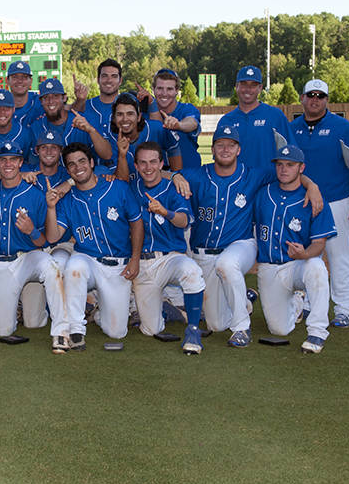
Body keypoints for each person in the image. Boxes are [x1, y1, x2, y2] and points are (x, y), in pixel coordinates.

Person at [171, 125, 323, 347]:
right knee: (215, 324)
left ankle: (242, 328)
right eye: (220, 145)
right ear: (212, 149)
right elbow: (160, 174)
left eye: (230, 145)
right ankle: (246, 302)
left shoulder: (253, 175)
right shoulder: (197, 175)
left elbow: (292, 173)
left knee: (226, 263)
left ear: (238, 150)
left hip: (241, 245)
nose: (225, 149)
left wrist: (313, 186)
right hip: (203, 253)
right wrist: (175, 175)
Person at [45, 142, 143, 348]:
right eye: (71, 164)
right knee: (74, 267)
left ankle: (98, 310)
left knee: (116, 333)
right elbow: (53, 237)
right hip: (87, 259)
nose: (78, 167)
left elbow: (136, 223)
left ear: (91, 163)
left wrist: (135, 259)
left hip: (118, 264)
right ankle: (76, 329)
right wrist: (51, 208)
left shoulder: (117, 186)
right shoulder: (68, 199)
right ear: (68, 170)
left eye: (82, 161)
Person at [0, 143, 67, 353]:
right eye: (3, 159)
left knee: (51, 266)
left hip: (29, 257)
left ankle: (62, 332)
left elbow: (44, 242)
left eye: (13, 159)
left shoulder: (35, 194)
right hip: (0, 264)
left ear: (21, 163)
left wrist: (31, 231)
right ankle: (20, 306)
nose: (8, 164)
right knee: (3, 331)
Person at [253, 145, 336, 353]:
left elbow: (319, 244)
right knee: (279, 329)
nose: (283, 169)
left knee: (316, 267)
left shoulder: (314, 199)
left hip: (298, 264)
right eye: (280, 164)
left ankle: (317, 331)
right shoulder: (263, 194)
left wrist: (304, 254)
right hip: (269, 267)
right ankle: (298, 302)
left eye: (290, 165)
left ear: (301, 168)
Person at [128, 142, 206, 354]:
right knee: (150, 329)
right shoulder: (131, 187)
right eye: (142, 163)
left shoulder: (174, 189)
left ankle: (193, 329)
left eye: (153, 161)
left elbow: (184, 221)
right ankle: (168, 310)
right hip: (141, 264)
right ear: (135, 166)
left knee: (191, 271)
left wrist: (165, 212)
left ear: (161, 163)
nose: (148, 167)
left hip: (168, 258)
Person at [290, 79, 349, 328]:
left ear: (327, 100)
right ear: (302, 98)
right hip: (302, 202)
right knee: (304, 255)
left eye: (320, 96)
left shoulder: (343, 127)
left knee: (340, 257)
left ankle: (344, 308)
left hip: (337, 199)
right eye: (310, 95)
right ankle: (306, 305)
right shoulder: (292, 127)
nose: (315, 100)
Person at [216, 65, 292, 167]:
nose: (248, 89)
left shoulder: (275, 116)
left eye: (253, 85)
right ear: (236, 86)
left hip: (268, 182)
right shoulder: (226, 121)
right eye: (244, 84)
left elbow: (290, 154)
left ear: (260, 88)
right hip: (237, 182)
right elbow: (219, 160)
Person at [29, 78, 112, 164]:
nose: (51, 101)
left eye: (55, 96)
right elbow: (33, 162)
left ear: (64, 98)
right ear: (41, 101)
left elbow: (107, 155)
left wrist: (91, 131)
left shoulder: (84, 120)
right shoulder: (36, 127)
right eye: (46, 97)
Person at [112, 92, 183, 182]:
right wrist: (122, 156)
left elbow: (173, 149)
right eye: (120, 114)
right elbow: (121, 182)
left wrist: (177, 175)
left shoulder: (156, 128)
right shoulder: (110, 140)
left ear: (139, 117)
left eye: (130, 114)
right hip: (131, 191)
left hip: (158, 186)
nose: (125, 119)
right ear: (114, 118)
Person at [148, 69, 202, 168]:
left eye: (169, 89)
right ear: (153, 89)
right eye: (160, 88)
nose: (164, 93)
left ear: (177, 91)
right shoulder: (145, 113)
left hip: (189, 176)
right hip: (159, 178)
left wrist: (179, 125)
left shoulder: (187, 109)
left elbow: (192, 122)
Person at [74, 59, 123, 136]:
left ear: (120, 80)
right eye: (104, 76)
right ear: (98, 80)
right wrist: (79, 100)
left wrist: (149, 103)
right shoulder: (85, 105)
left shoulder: (130, 106)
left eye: (114, 76)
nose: (109, 80)